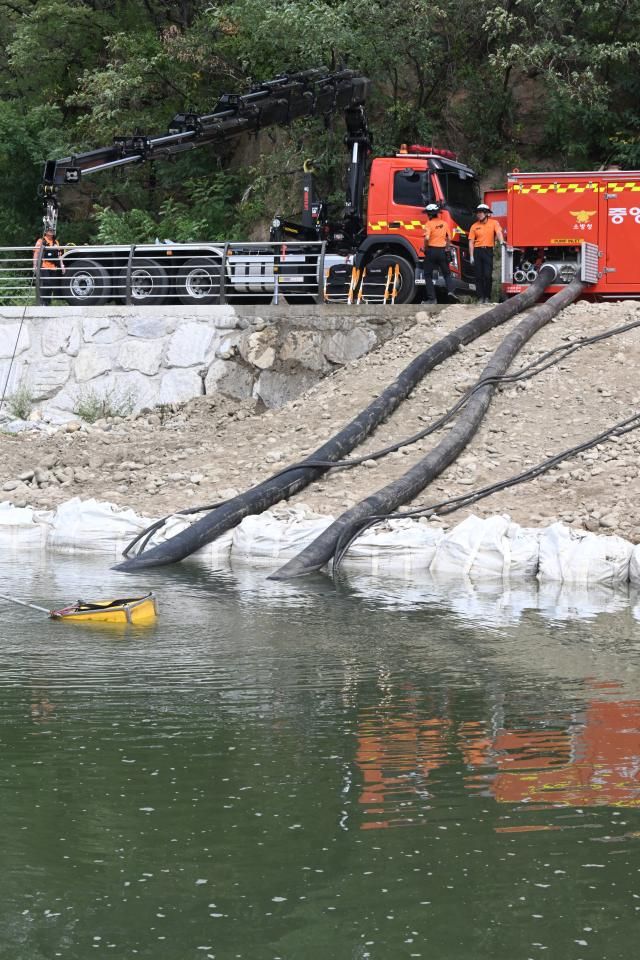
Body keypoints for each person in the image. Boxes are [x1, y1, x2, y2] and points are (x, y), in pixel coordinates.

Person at [421, 203, 459, 304]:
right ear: (437, 214)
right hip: (442, 251)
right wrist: (446, 248)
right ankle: (451, 292)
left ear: (429, 214)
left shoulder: (428, 224)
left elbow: (427, 238)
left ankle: (432, 299)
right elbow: (449, 238)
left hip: (432, 251)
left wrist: (425, 248)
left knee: (427, 274)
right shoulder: (444, 224)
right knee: (447, 274)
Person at [468, 203, 504, 304]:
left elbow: (499, 233)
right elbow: (471, 242)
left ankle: (487, 297)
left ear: (486, 213)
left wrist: (501, 241)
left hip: (488, 251)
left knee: (487, 275)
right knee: (478, 276)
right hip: (477, 251)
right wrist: (471, 256)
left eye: (481, 212)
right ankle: (480, 297)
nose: (478, 214)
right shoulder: (474, 226)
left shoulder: (494, 223)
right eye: (477, 212)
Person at [33, 224, 65, 305]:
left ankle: (47, 303)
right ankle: (43, 302)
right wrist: (35, 265)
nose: (51, 232)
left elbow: (59, 255)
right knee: (47, 283)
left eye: (52, 231)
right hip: (44, 266)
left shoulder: (56, 242)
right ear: (46, 232)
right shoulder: (41, 241)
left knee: (51, 285)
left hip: (53, 267)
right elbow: (36, 253)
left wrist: (62, 265)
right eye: (50, 231)